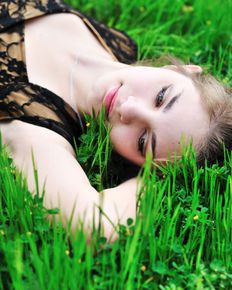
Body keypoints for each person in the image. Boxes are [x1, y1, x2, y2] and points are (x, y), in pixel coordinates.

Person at [0, 1, 231, 243]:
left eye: (143, 141)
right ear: (184, 69)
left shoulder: (34, 126)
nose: (129, 109)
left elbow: (94, 226)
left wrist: (158, 180)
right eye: (161, 97)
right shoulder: (119, 47)